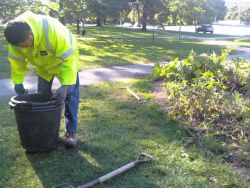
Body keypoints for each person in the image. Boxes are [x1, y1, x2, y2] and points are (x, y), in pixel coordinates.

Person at [4, 11, 80, 148]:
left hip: (65, 64)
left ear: (30, 33)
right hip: (44, 68)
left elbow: (70, 59)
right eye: (19, 46)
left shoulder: (52, 32)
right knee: (42, 99)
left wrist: (65, 86)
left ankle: (72, 132)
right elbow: (17, 62)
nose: (23, 48)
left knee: (70, 97)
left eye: (25, 44)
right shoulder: (15, 38)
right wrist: (17, 82)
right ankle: (44, 129)